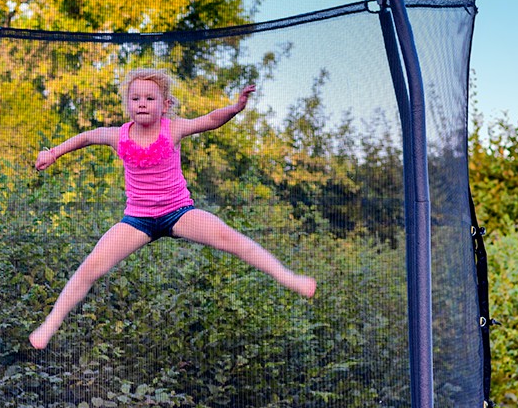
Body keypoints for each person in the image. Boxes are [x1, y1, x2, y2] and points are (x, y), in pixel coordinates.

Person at [29, 68, 317, 349]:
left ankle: (289, 278)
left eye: (150, 99)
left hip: (179, 212)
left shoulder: (174, 128)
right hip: (137, 220)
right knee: (90, 267)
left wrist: (235, 108)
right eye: (136, 98)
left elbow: (211, 120)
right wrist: (53, 153)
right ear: (127, 104)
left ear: (165, 105)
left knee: (231, 239)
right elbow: (87, 137)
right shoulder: (118, 135)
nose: (142, 103)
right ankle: (50, 325)